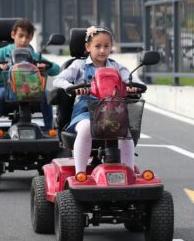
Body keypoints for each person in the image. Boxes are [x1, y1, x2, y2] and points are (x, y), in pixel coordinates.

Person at [52, 26, 141, 175]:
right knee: (87, 127)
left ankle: (129, 172)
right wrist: (72, 87)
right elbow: (57, 80)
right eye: (97, 46)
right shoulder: (78, 66)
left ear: (111, 47)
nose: (102, 50)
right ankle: (80, 173)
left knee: (125, 132)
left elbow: (137, 82)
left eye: (106, 46)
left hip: (112, 112)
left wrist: (132, 87)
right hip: (86, 112)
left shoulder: (116, 67)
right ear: (88, 47)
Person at [0, 19, 59, 133]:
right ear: (13, 35)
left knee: (47, 94)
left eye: (27, 37)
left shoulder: (34, 55)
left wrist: (46, 67)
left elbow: (56, 69)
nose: (24, 40)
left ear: (31, 38)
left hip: (31, 89)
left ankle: (50, 129)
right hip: (7, 89)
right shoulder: (2, 52)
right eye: (20, 36)